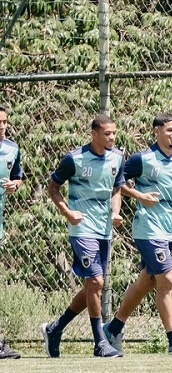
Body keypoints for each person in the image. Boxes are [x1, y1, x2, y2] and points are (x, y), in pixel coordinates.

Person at [102, 113, 172, 356]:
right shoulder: (143, 158)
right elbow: (117, 182)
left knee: (148, 280)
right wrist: (139, 196)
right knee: (167, 279)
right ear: (156, 132)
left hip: (167, 230)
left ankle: (113, 329)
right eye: (170, 130)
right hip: (147, 228)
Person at [42, 114, 126, 358]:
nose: (111, 137)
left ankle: (55, 328)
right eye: (107, 133)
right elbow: (53, 186)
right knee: (97, 282)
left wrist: (116, 212)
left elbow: (116, 188)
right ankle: (100, 343)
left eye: (114, 133)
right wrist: (67, 212)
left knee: (92, 284)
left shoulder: (118, 157)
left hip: (104, 229)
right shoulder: (75, 158)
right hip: (82, 228)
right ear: (94, 134)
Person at [0, 106, 24, 360]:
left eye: (5, 121)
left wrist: (14, 185)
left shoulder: (12, 148)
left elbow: (19, 177)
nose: (2, 126)